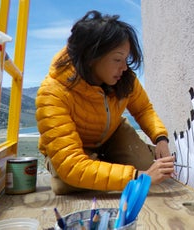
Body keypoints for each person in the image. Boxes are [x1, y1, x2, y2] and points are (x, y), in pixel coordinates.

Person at [35, 10, 175, 195]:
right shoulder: (52, 92)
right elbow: (71, 165)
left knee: (143, 164)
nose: (124, 67)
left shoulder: (124, 78)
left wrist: (161, 138)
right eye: (117, 59)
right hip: (75, 146)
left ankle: (106, 163)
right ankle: (100, 164)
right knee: (69, 183)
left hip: (112, 133)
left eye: (126, 59)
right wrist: (139, 177)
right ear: (92, 57)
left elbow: (143, 109)